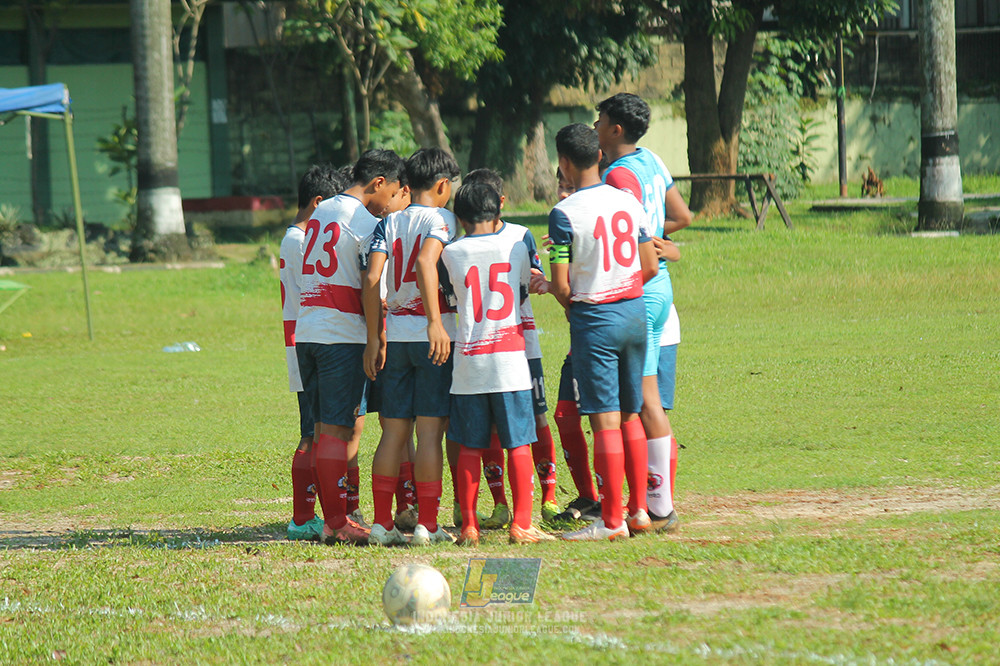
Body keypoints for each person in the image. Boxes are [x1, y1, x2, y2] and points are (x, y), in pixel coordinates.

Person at [547, 123, 658, 541]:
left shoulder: (564, 214)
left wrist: (575, 303)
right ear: (599, 155)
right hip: (634, 314)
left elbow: (560, 284)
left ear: (563, 162)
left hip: (596, 320)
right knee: (632, 414)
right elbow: (649, 266)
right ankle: (639, 512)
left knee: (604, 421)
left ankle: (611, 522)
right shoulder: (628, 201)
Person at [295, 148, 405, 545]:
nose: (390, 201)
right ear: (379, 183)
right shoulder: (366, 223)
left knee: (323, 428)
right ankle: (337, 522)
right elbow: (369, 285)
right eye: (391, 192)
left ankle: (330, 518)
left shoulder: (322, 211)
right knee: (338, 432)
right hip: (340, 335)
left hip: (307, 330)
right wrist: (376, 339)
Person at [437, 182, 554, 546]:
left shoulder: (450, 253)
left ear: (460, 216)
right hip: (511, 362)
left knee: (471, 446)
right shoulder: (516, 245)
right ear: (497, 211)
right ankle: (521, 524)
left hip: (470, 363)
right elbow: (521, 292)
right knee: (518, 443)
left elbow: (454, 300)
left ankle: (469, 526)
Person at [595, 92, 692, 533]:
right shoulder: (651, 159)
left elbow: (629, 229)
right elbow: (683, 215)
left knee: (645, 401)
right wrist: (656, 237)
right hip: (661, 286)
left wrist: (644, 244)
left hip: (643, 285)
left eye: (599, 119)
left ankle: (659, 507)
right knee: (644, 399)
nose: (595, 125)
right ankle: (655, 503)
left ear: (615, 129)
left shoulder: (617, 176)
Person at [362, 148, 460, 546]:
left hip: (395, 337)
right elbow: (424, 263)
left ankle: (382, 524)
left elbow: (372, 279)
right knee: (431, 432)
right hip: (429, 337)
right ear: (441, 186)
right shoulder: (443, 219)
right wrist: (436, 322)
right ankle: (427, 525)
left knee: (393, 434)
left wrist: (375, 336)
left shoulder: (389, 221)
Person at [461, 168, 561, 524]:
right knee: (490, 429)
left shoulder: (521, 236)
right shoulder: (468, 241)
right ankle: (501, 502)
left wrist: (540, 280)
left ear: (499, 201)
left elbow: (533, 276)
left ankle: (548, 497)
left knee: (535, 418)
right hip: (495, 350)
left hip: (522, 345)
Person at [280, 163, 347, 541]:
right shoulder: (301, 241)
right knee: (311, 433)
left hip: (302, 341)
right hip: (308, 342)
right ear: (319, 203)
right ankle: (303, 517)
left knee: (316, 431)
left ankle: (313, 513)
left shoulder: (295, 238)